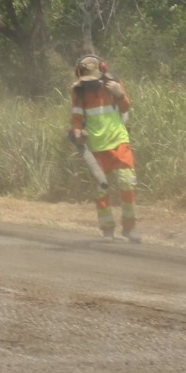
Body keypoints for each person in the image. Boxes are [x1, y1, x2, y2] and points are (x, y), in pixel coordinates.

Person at [69, 54, 137, 241]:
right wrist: (77, 132)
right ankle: (107, 230)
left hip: (118, 141)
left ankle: (129, 228)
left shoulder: (114, 83)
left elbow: (125, 107)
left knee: (127, 182)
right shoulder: (79, 91)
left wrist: (119, 93)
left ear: (103, 70)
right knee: (101, 190)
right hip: (95, 147)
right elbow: (76, 118)